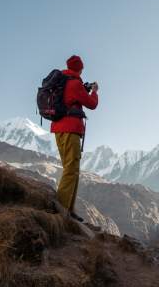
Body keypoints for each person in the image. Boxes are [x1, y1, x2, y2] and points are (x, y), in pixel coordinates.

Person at [51, 55, 98, 222]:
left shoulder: (61, 82)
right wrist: (94, 91)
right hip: (71, 130)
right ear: (80, 68)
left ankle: (69, 209)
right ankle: (61, 210)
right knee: (71, 170)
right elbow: (92, 104)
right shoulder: (75, 83)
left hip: (58, 129)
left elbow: (70, 98)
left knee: (71, 168)